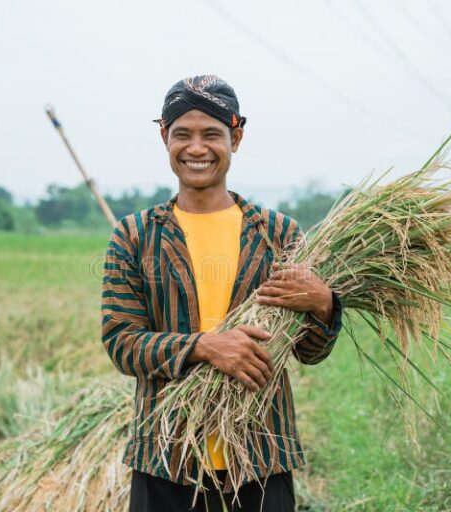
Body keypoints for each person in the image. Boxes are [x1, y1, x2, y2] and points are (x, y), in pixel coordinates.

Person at [101, 74, 344, 511]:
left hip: (260, 457)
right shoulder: (135, 235)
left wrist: (324, 305)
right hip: (166, 457)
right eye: (183, 134)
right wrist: (205, 347)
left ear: (236, 137)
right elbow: (121, 342)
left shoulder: (278, 233)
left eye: (211, 134)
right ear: (164, 137)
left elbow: (310, 352)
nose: (196, 148)